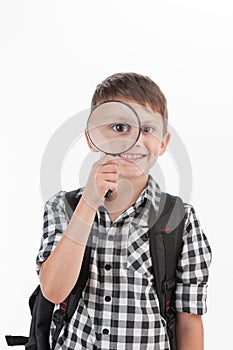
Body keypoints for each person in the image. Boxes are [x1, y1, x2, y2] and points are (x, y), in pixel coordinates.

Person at [36, 72, 212, 350]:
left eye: (148, 130)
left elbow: (188, 321)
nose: (135, 140)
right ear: (92, 138)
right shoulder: (63, 207)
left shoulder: (180, 218)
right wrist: (89, 204)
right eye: (119, 127)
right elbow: (54, 290)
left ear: (163, 143)